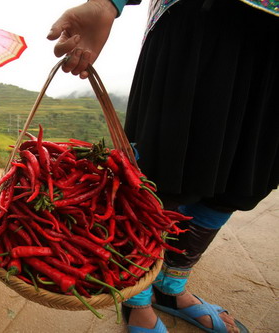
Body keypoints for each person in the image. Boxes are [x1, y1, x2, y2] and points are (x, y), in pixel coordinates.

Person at [48, 0, 278, 332]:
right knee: (163, 177)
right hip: (198, 21)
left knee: (241, 176)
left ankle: (170, 288)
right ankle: (136, 297)